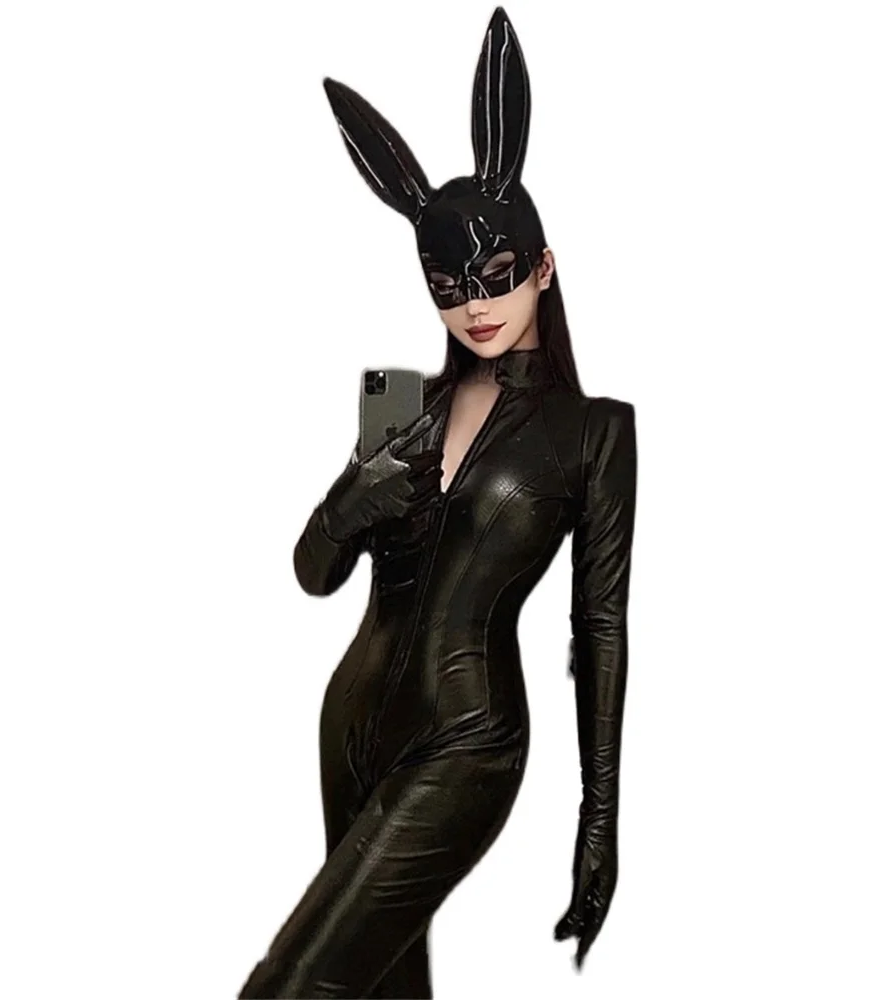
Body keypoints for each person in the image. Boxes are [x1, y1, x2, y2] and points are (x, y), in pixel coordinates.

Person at [238, 8, 638, 998]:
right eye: (448, 285)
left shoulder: (593, 432)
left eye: (496, 275)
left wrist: (597, 819)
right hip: (350, 729)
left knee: (290, 986)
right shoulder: (400, 405)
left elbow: (598, 627)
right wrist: (349, 500)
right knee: (383, 987)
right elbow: (314, 574)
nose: (475, 304)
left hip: (467, 741)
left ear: (543, 266)